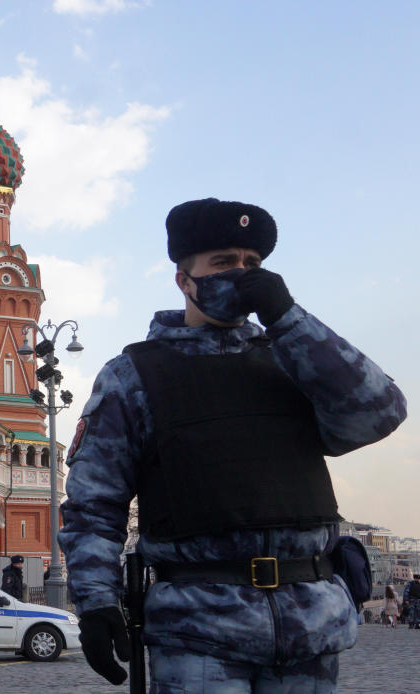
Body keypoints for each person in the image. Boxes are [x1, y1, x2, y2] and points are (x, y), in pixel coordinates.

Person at [59, 198, 407, 693]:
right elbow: (95, 504)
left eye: (253, 265)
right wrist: (96, 601)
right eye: (223, 263)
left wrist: (288, 318)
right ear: (184, 279)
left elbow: (380, 412)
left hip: (310, 620)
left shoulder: (291, 360)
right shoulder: (133, 375)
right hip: (200, 628)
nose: (242, 276)